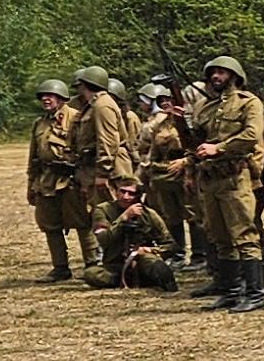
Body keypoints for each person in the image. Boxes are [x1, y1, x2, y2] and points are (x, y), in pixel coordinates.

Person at [191, 54, 264, 314]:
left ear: (235, 76)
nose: (216, 76)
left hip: (234, 177)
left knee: (244, 235)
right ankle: (231, 291)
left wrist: (219, 148)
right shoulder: (204, 106)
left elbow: (250, 136)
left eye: (222, 72)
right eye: (213, 72)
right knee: (220, 237)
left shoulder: (249, 103)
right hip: (209, 179)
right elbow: (196, 140)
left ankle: (256, 294)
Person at [27, 78, 90, 280]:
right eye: (43, 96)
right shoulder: (39, 123)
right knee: (49, 224)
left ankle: (92, 264)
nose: (46, 99)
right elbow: (34, 156)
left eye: (50, 96)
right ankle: (60, 267)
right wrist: (31, 184)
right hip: (46, 179)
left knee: (82, 221)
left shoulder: (76, 118)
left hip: (70, 178)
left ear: (62, 98)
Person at [87, 175, 177, 290]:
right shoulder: (103, 210)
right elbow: (104, 239)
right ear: (115, 192)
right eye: (122, 192)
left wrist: (148, 250)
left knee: (157, 266)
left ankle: (151, 279)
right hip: (115, 263)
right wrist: (123, 218)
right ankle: (127, 279)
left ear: (138, 195)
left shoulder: (149, 214)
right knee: (92, 274)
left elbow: (171, 246)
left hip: (143, 261)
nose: (126, 197)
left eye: (131, 193)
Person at [69, 65, 137, 213]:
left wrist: (103, 173)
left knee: (111, 216)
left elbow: (108, 140)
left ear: (85, 85)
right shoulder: (95, 104)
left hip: (111, 171)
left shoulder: (102, 105)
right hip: (100, 168)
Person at [138, 84, 192, 264]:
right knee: (171, 216)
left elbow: (194, 144)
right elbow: (152, 150)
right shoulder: (159, 124)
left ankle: (200, 255)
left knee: (192, 215)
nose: (166, 104)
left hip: (185, 172)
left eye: (169, 100)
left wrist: (186, 163)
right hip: (163, 173)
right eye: (162, 101)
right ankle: (177, 253)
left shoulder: (189, 121)